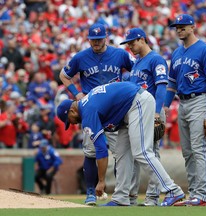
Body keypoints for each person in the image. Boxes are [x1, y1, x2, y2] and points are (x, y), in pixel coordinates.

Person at [56, 82, 185, 206]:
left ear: (72, 111)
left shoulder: (87, 112)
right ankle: (121, 198)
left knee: (141, 152)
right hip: (126, 110)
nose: (72, 124)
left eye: (70, 121)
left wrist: (101, 181)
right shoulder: (87, 104)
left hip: (137, 101)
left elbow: (101, 150)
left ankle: (173, 190)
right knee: (122, 153)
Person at [59, 23, 134, 205]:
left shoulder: (119, 54)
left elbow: (136, 69)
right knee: (91, 152)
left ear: (106, 37)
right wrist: (76, 94)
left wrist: (129, 86)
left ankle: (120, 192)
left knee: (121, 154)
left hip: (115, 111)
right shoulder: (81, 57)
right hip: (92, 111)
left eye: (99, 39)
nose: (96, 43)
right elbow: (63, 75)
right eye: (93, 40)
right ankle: (90, 192)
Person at [164, 14, 206, 206]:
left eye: (182, 26)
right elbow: (171, 84)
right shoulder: (177, 53)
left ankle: (202, 195)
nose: (179, 29)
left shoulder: (205, 49)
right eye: (177, 27)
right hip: (183, 102)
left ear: (192, 27)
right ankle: (194, 192)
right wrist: (165, 105)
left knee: (198, 149)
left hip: (201, 99)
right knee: (187, 151)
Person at [118, 27, 168, 206]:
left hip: (152, 110)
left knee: (151, 153)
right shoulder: (137, 62)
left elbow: (162, 86)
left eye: (132, 42)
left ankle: (153, 197)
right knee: (136, 154)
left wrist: (156, 112)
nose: (130, 46)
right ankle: (131, 197)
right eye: (128, 43)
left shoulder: (156, 59)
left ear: (142, 39)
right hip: (138, 112)